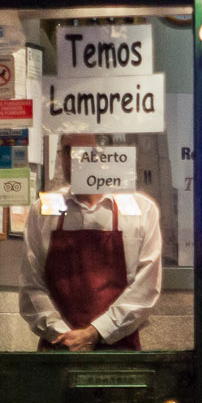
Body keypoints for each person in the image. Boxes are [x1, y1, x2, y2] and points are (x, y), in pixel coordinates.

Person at [20, 133, 161, 351]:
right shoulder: (43, 209)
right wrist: (62, 335)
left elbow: (144, 290)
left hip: (118, 353)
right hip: (58, 352)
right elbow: (31, 287)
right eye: (68, 151)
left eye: (86, 152)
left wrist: (95, 333)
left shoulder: (141, 209)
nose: (75, 160)